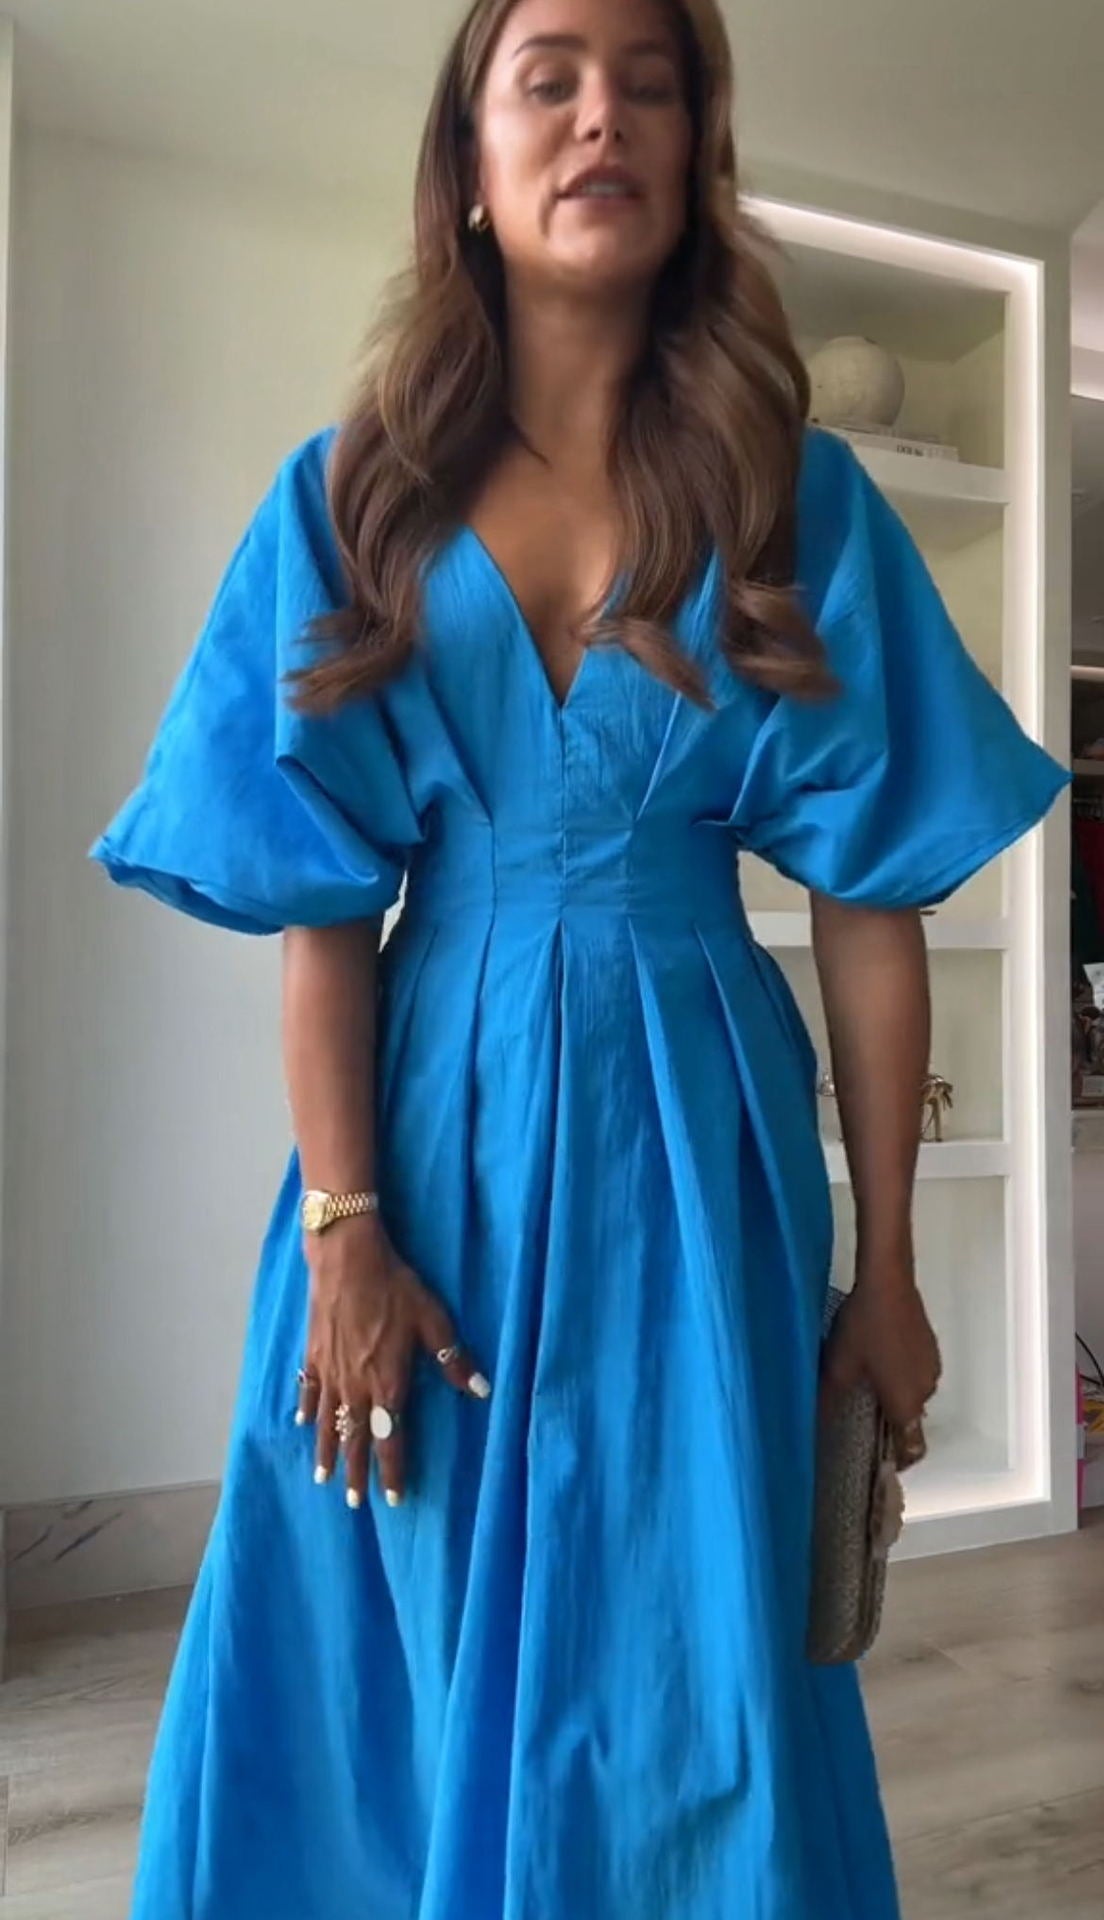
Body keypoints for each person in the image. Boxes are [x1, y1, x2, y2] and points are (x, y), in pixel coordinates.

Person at [90, 0, 1068, 1914]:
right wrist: (344, 1234)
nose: (600, 115)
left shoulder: (800, 500)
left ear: (699, 152)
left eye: (651, 83)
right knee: (393, 1604)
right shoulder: (351, 496)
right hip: (423, 1145)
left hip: (697, 1143)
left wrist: (887, 1267)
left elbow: (873, 909)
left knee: (691, 1628)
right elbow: (322, 910)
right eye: (547, 78)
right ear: (469, 161)